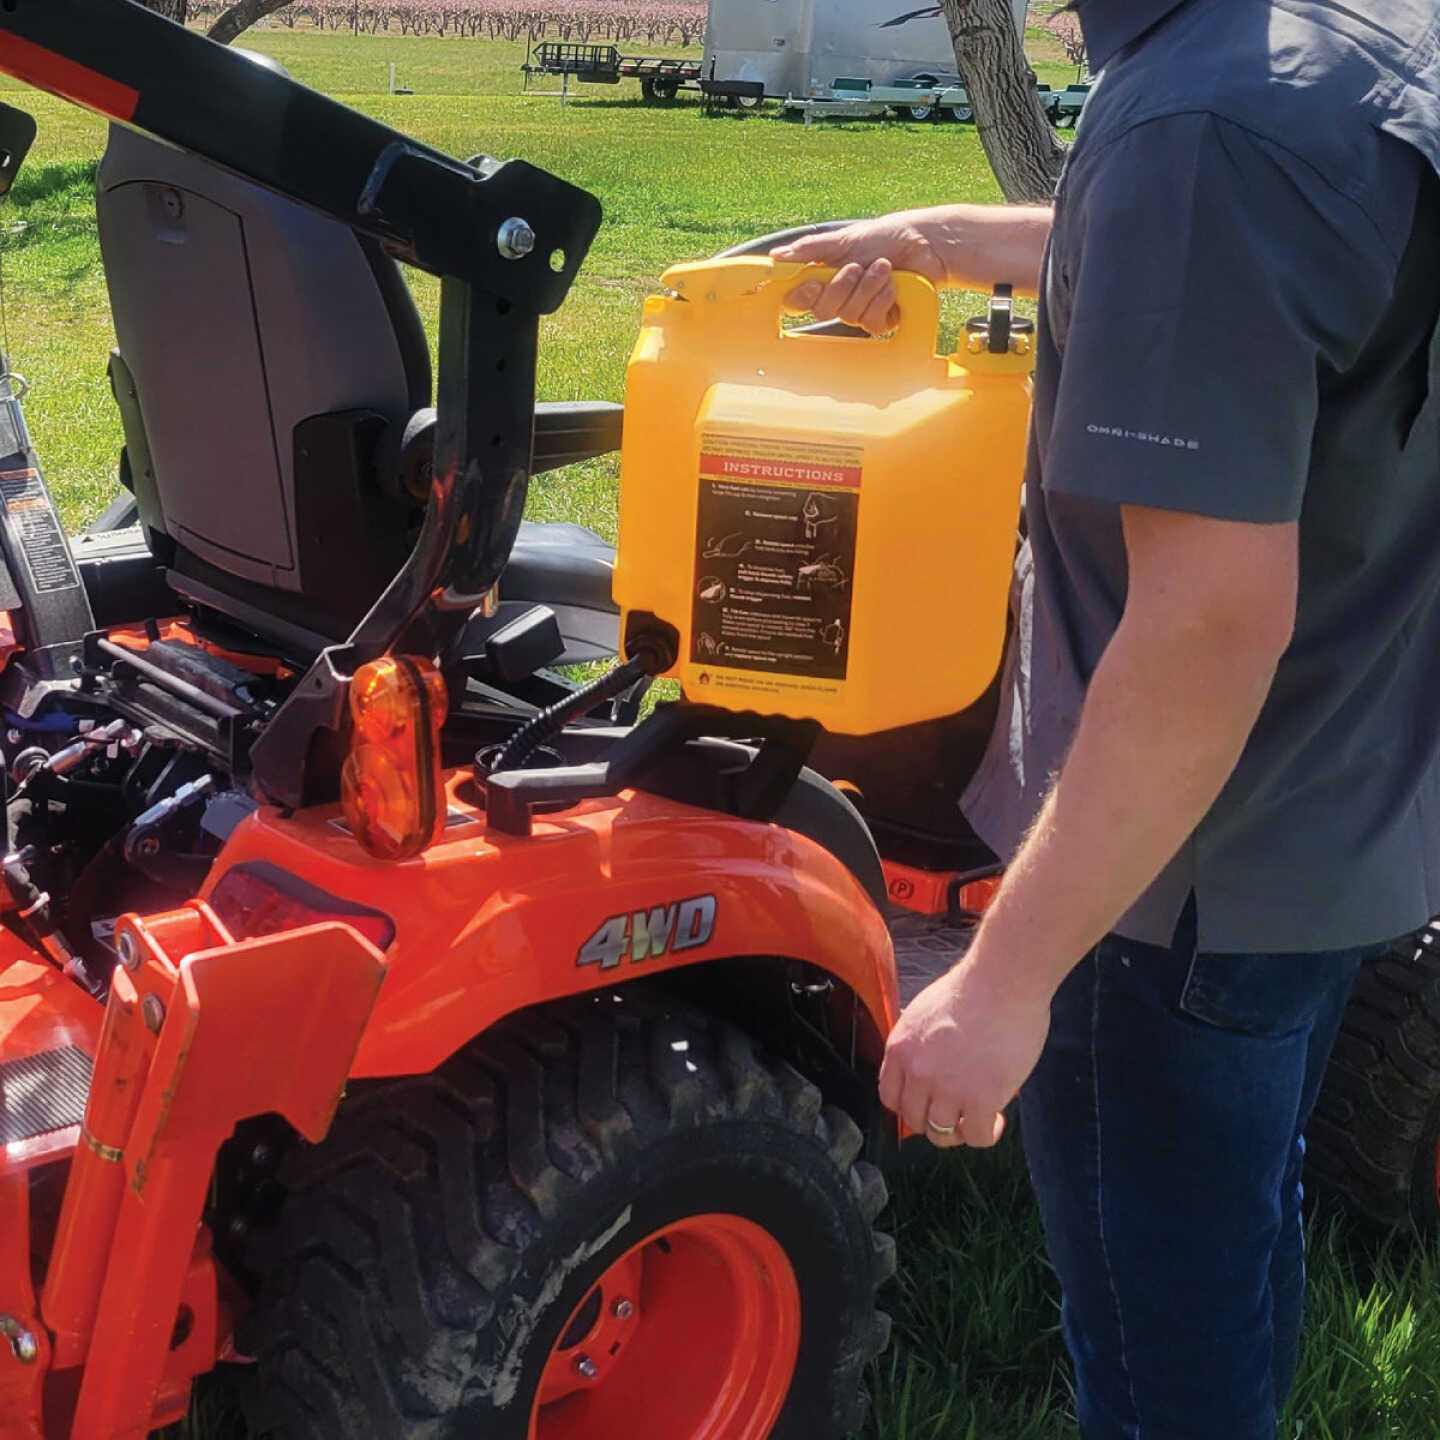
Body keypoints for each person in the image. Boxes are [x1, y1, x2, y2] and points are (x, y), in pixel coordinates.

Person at [774, 2, 1440, 1437]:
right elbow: (1219, 274)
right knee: (1238, 1238)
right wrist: (937, 237)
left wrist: (1005, 981)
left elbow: (1207, 622)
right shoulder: (1345, 56)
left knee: (1157, 1357)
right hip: (1329, 822)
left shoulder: (1203, 128)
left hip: (1166, 886)